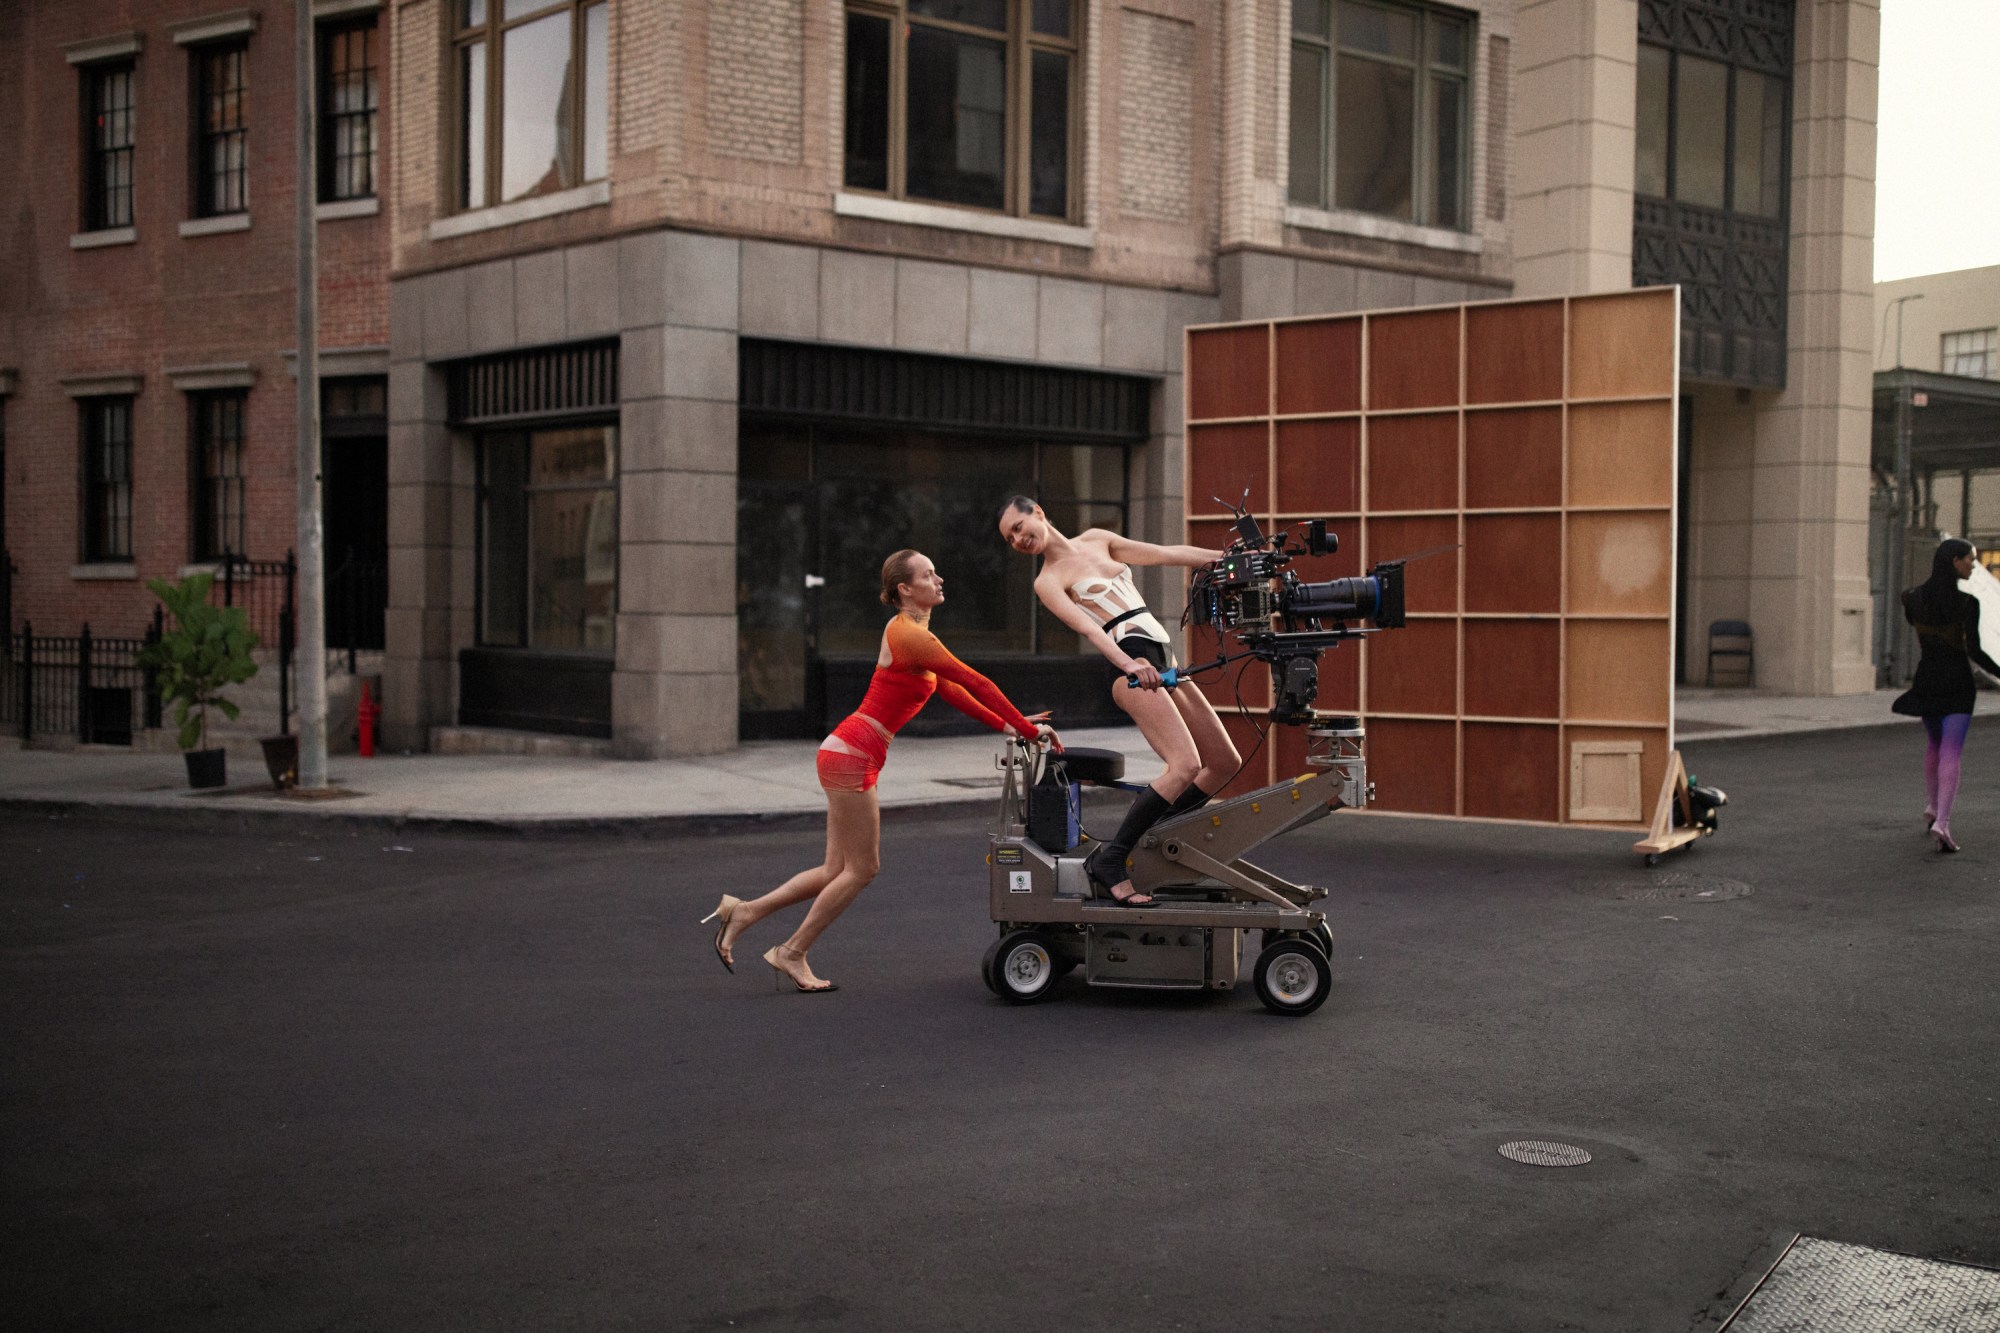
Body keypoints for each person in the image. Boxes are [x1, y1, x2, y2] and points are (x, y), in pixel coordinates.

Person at [701, 550, 1056, 991]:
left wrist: (1012, 725)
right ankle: (791, 952)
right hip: (852, 755)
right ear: (905, 589)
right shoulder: (908, 633)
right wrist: (1027, 729)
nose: (939, 578)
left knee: (835, 870)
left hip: (848, 752)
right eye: (928, 574)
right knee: (863, 868)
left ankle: (745, 912)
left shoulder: (917, 636)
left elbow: (956, 693)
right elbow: (976, 681)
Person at [997, 496, 1239, 906]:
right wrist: (1130, 666)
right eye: (1011, 538)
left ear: (1038, 511)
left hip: (1164, 656)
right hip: (1130, 663)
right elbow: (1092, 632)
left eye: (1020, 526)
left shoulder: (1097, 539)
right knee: (1185, 766)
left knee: (1224, 763)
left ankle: (1158, 839)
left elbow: (1166, 554)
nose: (1019, 538)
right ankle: (1113, 860)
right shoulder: (1047, 581)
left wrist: (1225, 559)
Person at [1891, 537, 2000, 853]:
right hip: (1956, 682)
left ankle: (1934, 807)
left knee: (1935, 744)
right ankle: (1943, 822)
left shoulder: (1911, 598)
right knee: (1952, 750)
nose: (1973, 565)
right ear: (1955, 562)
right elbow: (1975, 652)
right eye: (1970, 559)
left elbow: (1920, 627)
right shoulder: (1968, 604)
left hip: (1928, 678)